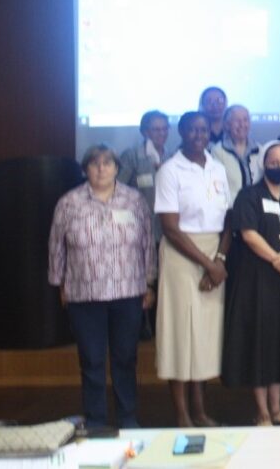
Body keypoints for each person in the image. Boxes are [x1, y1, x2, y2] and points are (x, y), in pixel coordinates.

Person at [48, 144, 156, 428]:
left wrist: (149, 282)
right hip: (84, 294)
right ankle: (96, 421)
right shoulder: (69, 202)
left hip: (128, 292)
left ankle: (127, 418)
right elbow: (56, 245)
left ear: (117, 168)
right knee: (92, 361)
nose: (101, 169)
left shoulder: (134, 200)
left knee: (125, 359)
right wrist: (59, 283)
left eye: (107, 163)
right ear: (85, 169)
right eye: (94, 164)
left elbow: (147, 243)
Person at [153, 112, 232, 427]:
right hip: (182, 254)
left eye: (204, 130)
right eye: (192, 130)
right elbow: (170, 228)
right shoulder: (170, 170)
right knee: (180, 334)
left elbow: (228, 219)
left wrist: (220, 260)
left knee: (203, 336)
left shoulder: (217, 167)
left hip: (214, 252)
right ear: (182, 132)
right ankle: (182, 414)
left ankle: (200, 410)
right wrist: (209, 265)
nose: (199, 135)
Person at [221, 140, 280, 426]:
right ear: (263, 164)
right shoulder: (248, 195)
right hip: (256, 280)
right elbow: (248, 234)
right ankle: (262, 411)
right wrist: (279, 261)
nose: (279, 166)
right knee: (259, 343)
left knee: (279, 342)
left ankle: (277, 408)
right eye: (274, 162)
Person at [118, 110, 171, 244]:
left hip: (166, 228)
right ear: (145, 132)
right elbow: (118, 189)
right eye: (156, 130)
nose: (162, 133)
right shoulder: (132, 155)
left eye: (165, 128)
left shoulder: (172, 156)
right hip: (137, 226)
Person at [210, 105, 262, 201]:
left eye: (245, 120)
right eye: (237, 121)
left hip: (257, 205)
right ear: (227, 125)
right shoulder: (218, 151)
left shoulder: (259, 149)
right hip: (231, 205)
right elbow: (217, 186)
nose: (242, 125)